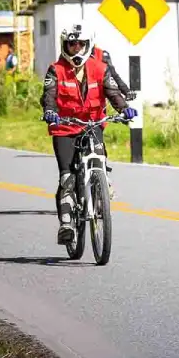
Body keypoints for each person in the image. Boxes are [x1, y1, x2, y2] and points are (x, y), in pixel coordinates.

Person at [40, 23, 136, 245]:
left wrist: (124, 109)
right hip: (65, 127)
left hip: (93, 124)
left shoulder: (100, 68)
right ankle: (66, 223)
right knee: (67, 177)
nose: (75, 48)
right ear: (65, 46)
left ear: (87, 45)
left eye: (80, 44)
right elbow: (49, 95)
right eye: (71, 44)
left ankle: (100, 190)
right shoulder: (55, 69)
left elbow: (113, 93)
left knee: (100, 161)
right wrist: (50, 112)